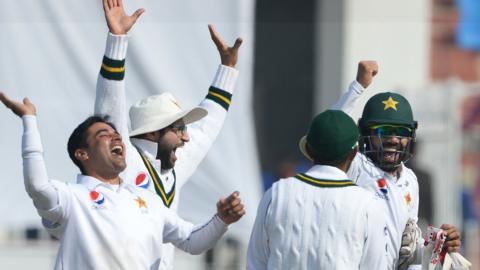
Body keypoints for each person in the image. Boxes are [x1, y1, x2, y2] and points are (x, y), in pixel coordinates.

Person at [0, 92, 245, 269]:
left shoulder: (147, 200)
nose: (116, 137)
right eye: (104, 135)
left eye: (117, 133)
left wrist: (221, 219)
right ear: (82, 154)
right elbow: (37, 186)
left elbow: (192, 241)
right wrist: (29, 121)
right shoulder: (72, 198)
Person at [92, 1, 243, 268]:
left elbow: (209, 127)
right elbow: (109, 108)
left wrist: (227, 69)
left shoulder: (174, 165)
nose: (187, 138)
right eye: (180, 128)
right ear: (153, 133)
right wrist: (117, 40)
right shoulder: (123, 160)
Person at [332, 61, 462, 269]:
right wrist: (357, 87)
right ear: (366, 134)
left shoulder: (410, 180)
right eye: (383, 131)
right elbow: (330, 129)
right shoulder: (355, 166)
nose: (393, 139)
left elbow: (406, 252)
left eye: (401, 133)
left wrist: (439, 244)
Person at [247, 110, 388, 270]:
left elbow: (255, 264)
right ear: (354, 153)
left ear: (308, 149)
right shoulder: (368, 205)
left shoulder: (276, 194)